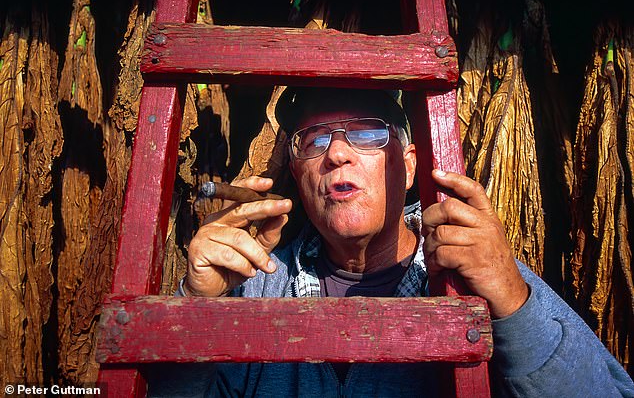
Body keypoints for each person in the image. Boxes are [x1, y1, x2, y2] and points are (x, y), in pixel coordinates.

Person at [148, 87, 634, 397]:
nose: (337, 153)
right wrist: (195, 310)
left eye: (365, 134)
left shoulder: (476, 276)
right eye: (313, 140)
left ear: (410, 165)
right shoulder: (257, 287)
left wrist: (512, 304)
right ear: (296, 173)